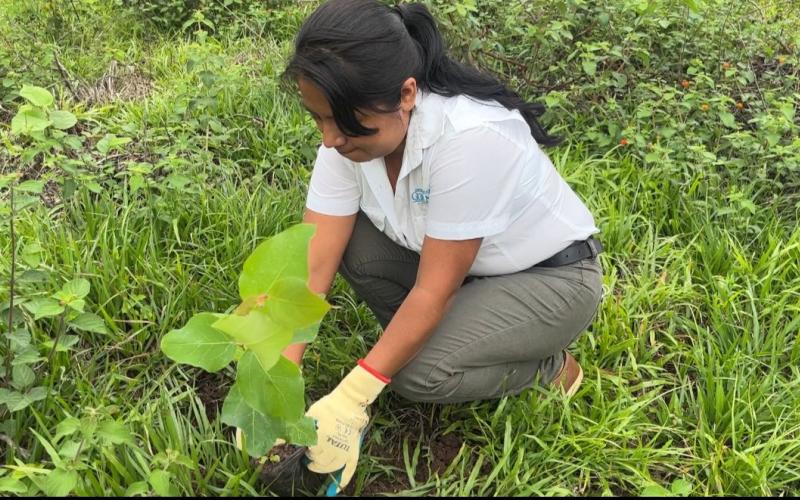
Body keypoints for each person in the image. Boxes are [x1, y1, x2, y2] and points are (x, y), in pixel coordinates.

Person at [275, 0, 604, 492]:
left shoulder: (469, 138)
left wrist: (354, 395)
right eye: (318, 119)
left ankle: (548, 368)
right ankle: (443, 341)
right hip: (467, 272)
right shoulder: (348, 139)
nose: (329, 140)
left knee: (418, 375)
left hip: (551, 280)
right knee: (349, 245)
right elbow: (313, 262)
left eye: (343, 122)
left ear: (406, 94)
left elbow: (433, 291)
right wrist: (278, 379)